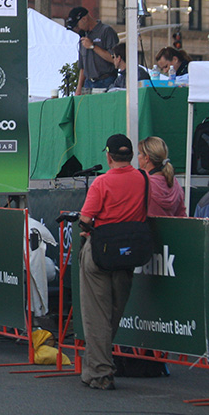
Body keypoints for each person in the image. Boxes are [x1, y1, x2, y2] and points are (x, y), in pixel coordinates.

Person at [77, 134, 150, 389]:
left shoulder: (101, 182)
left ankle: (100, 372)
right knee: (113, 314)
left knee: (96, 315)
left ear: (108, 157)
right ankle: (95, 368)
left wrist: (86, 230)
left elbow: (85, 219)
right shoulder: (143, 179)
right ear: (131, 156)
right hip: (129, 253)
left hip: (101, 251)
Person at [66, 6, 119, 95]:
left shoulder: (106, 31)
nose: (77, 29)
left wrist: (93, 46)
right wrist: (79, 88)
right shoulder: (83, 36)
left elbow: (115, 58)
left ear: (84, 19)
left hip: (106, 80)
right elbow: (83, 66)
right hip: (88, 82)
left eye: (77, 25)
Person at [137, 136, 186, 218]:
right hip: (170, 226)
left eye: (139, 153)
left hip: (149, 226)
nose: (138, 157)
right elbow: (182, 216)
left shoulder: (144, 184)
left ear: (146, 158)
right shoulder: (175, 183)